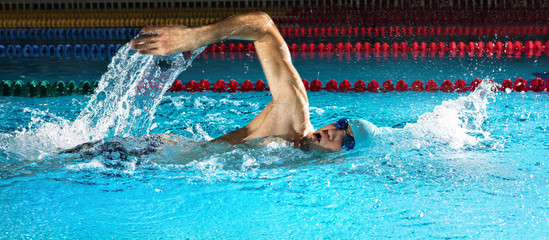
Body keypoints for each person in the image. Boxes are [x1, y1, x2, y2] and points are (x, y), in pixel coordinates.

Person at [131, 11, 377, 153]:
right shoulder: (293, 119)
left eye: (348, 140)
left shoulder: (299, 166)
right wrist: (197, 36)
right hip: (149, 155)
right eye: (342, 124)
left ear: (347, 158)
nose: (333, 131)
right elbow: (263, 26)